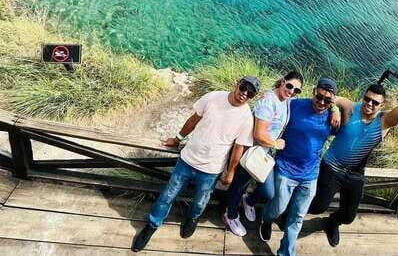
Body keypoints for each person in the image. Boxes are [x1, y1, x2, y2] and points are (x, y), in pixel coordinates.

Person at [131, 76, 259, 252]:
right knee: (167, 196)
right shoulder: (214, 97)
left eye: (250, 93)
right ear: (237, 83)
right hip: (187, 159)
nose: (245, 93)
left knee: (200, 203)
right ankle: (152, 225)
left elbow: (238, 149)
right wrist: (177, 139)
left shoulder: (246, 118)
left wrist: (230, 172)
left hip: (212, 169)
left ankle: (192, 219)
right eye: (244, 87)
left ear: (252, 97)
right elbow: (193, 119)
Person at [308, 72, 398, 247]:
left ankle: (332, 222)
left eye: (375, 102)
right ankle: (290, 212)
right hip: (332, 166)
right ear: (363, 97)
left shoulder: (384, 121)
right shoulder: (352, 108)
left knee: (348, 217)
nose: (370, 104)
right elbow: (333, 98)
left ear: (382, 105)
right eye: (367, 99)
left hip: (355, 174)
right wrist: (335, 109)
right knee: (317, 206)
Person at [258, 77, 339, 256]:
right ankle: (266, 219)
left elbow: (353, 116)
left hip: (310, 174)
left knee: (298, 217)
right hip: (285, 168)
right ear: (314, 92)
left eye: (327, 100)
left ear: (333, 99)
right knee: (278, 208)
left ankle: (286, 252)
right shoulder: (294, 105)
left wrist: (335, 109)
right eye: (319, 97)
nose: (322, 102)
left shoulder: (332, 118)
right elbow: (276, 100)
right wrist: (267, 95)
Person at [222, 70, 305, 236]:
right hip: (249, 150)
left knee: (268, 192)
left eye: (296, 90)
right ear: (282, 82)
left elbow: (305, 103)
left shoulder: (287, 100)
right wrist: (276, 144)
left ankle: (249, 200)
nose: (291, 91)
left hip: (263, 153)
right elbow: (259, 135)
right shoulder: (269, 102)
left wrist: (333, 108)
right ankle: (230, 215)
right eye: (289, 86)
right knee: (239, 185)